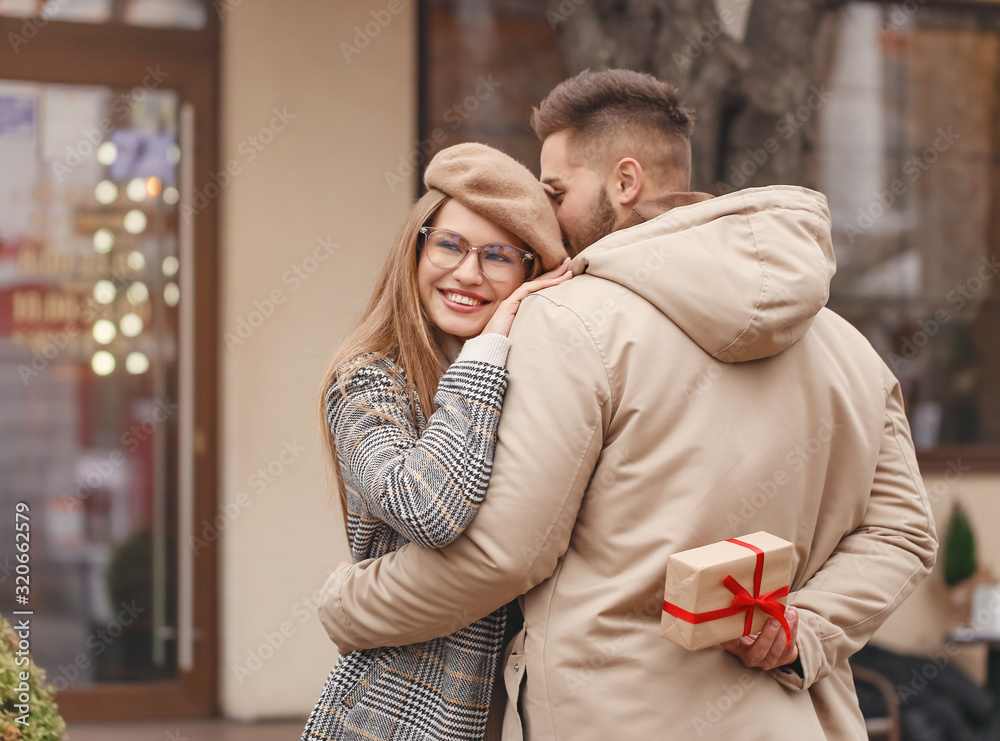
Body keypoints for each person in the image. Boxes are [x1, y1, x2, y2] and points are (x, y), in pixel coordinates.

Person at [317, 69, 938, 741]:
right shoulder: (846, 344)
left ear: (625, 181)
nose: (542, 216)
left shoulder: (568, 321)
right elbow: (904, 532)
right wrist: (803, 629)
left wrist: (348, 605)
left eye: (555, 191)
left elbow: (504, 557)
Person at [300, 142, 571, 741]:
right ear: (416, 248)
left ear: (530, 273)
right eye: (449, 244)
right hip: (398, 712)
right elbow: (429, 510)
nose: (468, 274)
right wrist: (488, 352)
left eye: (499, 256)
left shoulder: (544, 384)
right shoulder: (366, 381)